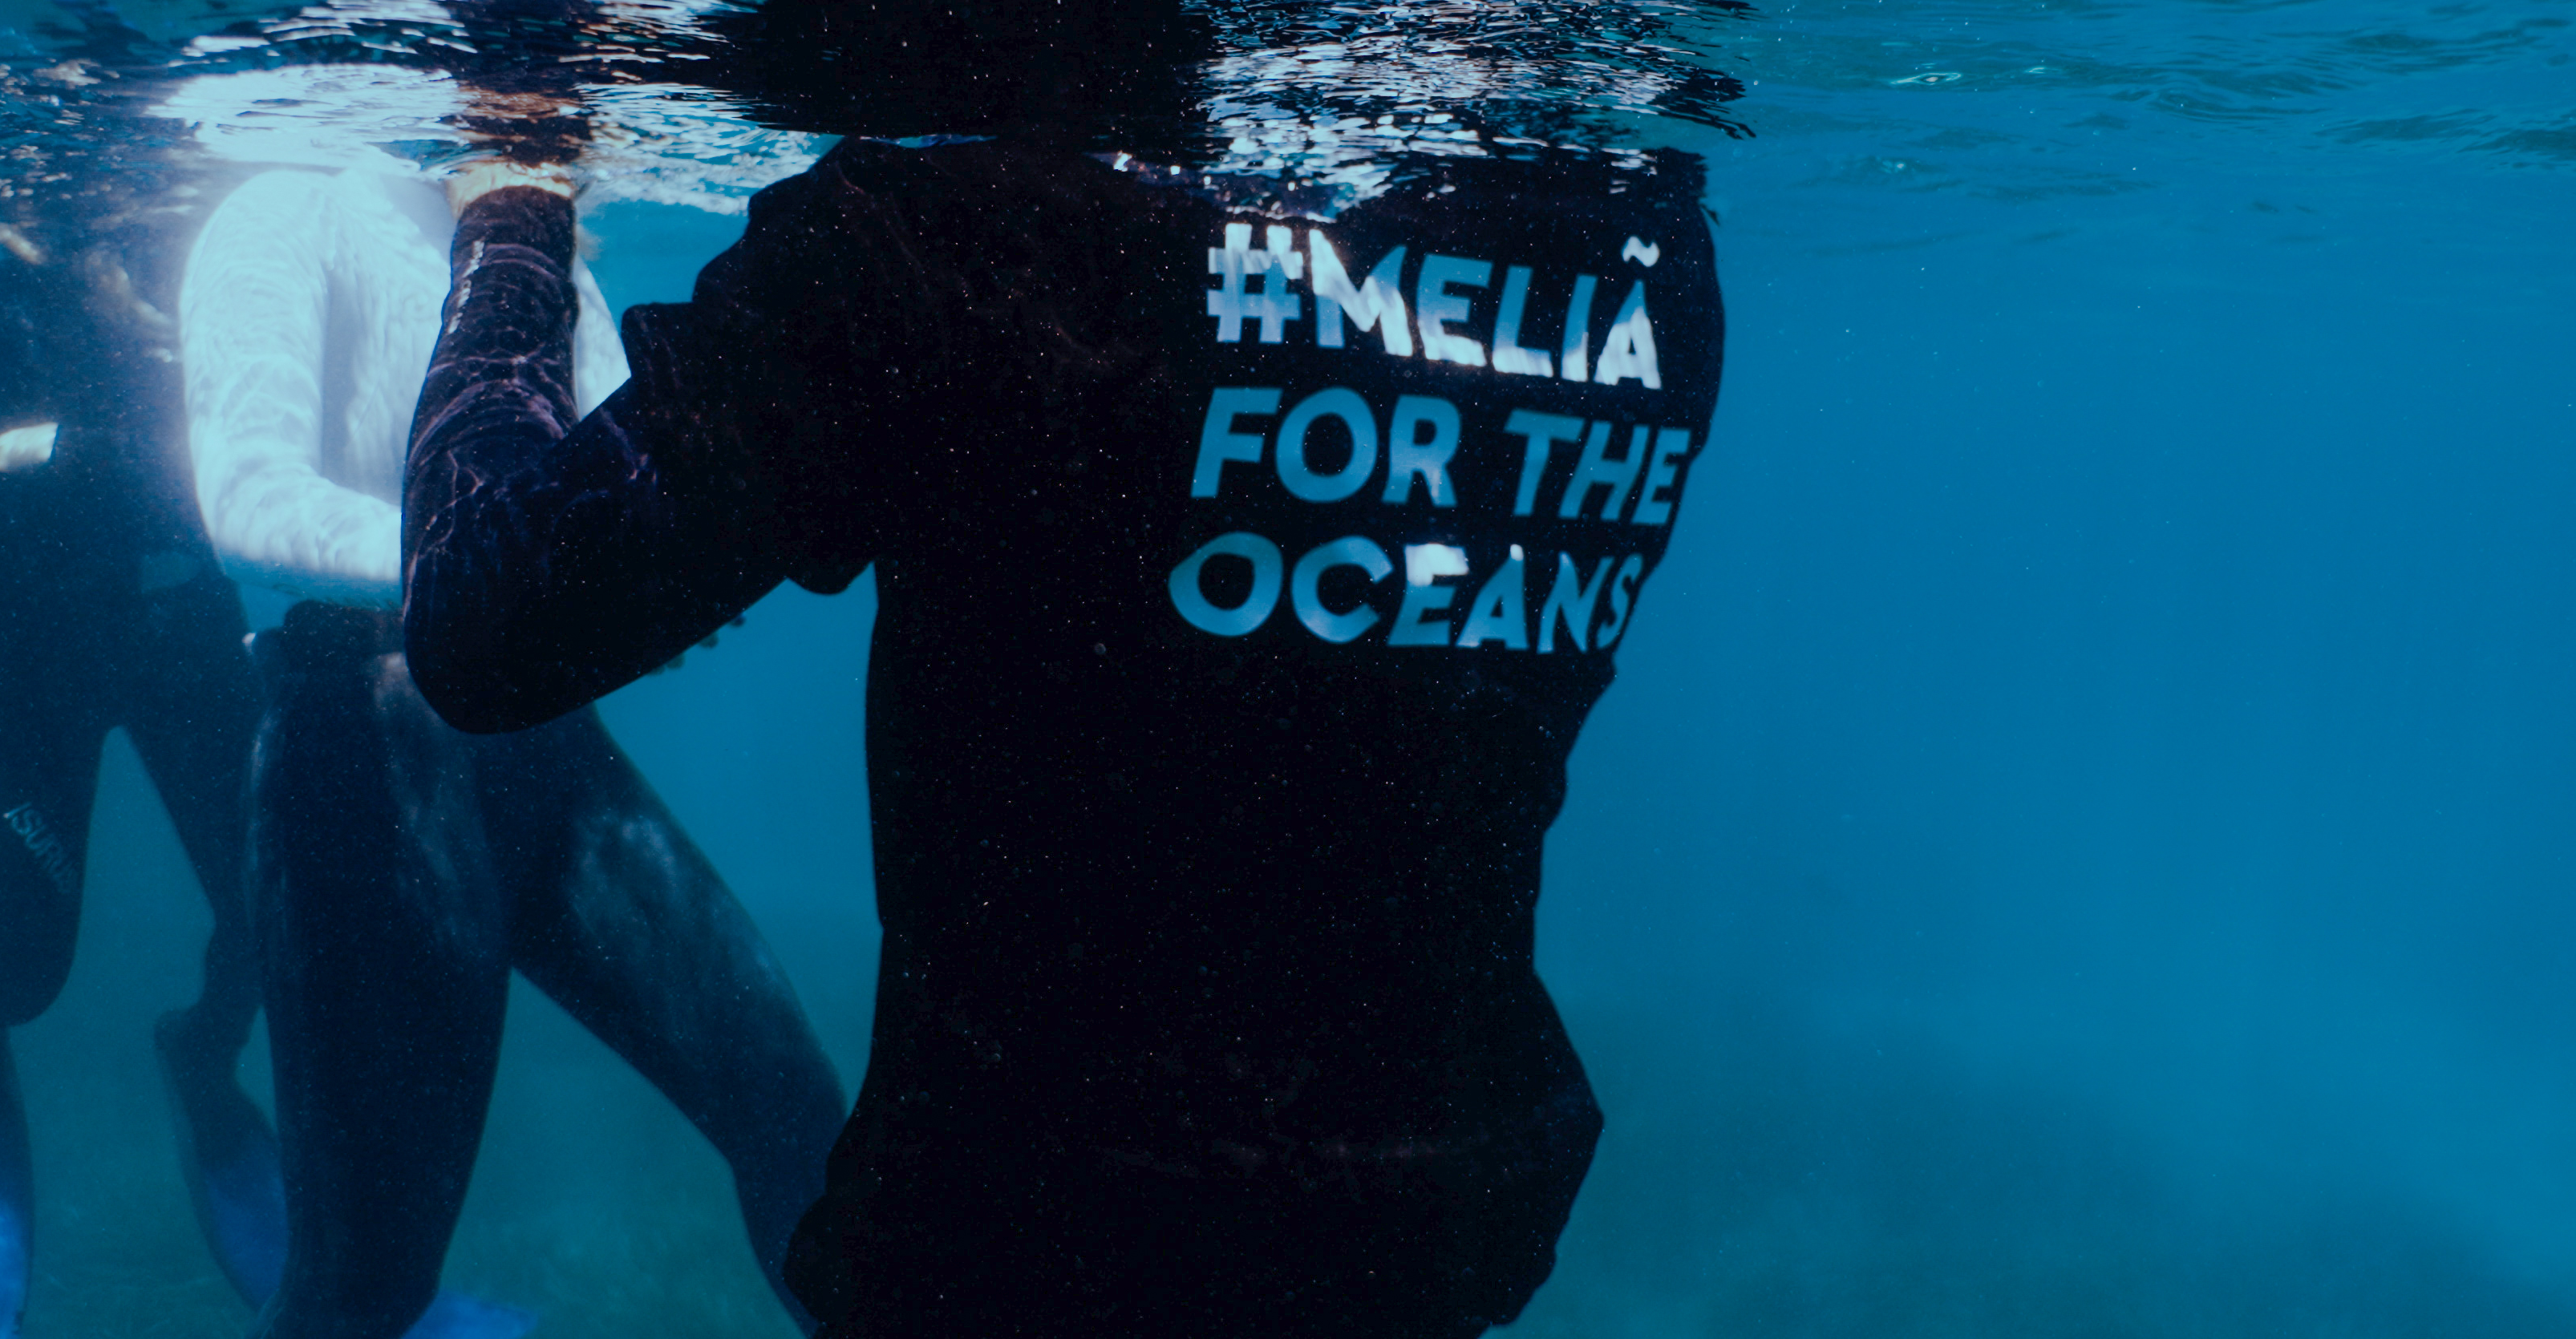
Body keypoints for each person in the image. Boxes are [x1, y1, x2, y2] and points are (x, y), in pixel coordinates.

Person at [403, 131, 1723, 1337]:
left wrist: (515, 206)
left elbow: (489, 622)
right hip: (1429, 1230)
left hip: (1044, 1253)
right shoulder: (1639, 242)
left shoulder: (990, 233)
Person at [174, 95, 847, 1339]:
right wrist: (492, 572)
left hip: (541, 740)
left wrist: (662, 574)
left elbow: (613, 494)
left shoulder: (541, 244)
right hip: (357, 745)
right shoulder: (284, 211)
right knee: (365, 1283)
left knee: (804, 1131)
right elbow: (246, 507)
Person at [0, 215, 281, 1338]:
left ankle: (203, 1051)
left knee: (274, 915)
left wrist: (52, 447)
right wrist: (130, 443)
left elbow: (253, 452)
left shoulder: (189, 292)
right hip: (25, 662)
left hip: (184, 635)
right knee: (21, 972)